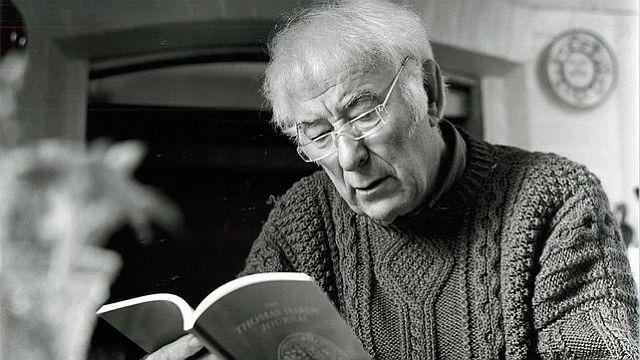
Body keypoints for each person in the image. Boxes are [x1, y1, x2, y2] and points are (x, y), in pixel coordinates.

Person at [147, 0, 638, 358]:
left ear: (428, 93)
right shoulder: (304, 217)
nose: (348, 158)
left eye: (363, 115)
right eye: (317, 134)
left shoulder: (555, 198)